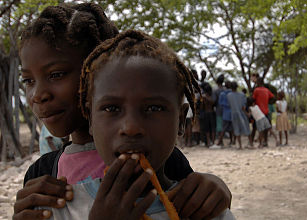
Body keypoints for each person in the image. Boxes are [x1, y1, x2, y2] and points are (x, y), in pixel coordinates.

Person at [15, 3, 231, 220]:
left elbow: (188, 202)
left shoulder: (156, 157)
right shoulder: (43, 173)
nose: (37, 94)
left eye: (56, 74)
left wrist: (215, 190)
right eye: (28, 80)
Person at [76, 29, 234, 219]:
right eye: (111, 109)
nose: (131, 128)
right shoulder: (60, 209)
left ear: (182, 121)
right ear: (91, 120)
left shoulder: (204, 210)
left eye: (154, 108)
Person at [252, 78, 279, 147]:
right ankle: (266, 142)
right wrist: (268, 102)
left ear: (258, 82)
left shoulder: (256, 90)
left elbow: (253, 99)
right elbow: (273, 97)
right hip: (266, 111)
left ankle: (256, 142)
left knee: (257, 128)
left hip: (258, 112)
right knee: (267, 128)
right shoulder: (267, 90)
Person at [226, 82, 250, 149]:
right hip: (242, 113)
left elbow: (229, 104)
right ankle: (251, 143)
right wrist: (246, 113)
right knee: (246, 127)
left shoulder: (228, 95)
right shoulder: (242, 95)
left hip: (234, 114)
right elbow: (243, 106)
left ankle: (240, 146)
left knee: (236, 129)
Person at [217, 81, 234, 147]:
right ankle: (232, 141)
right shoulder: (232, 93)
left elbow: (220, 103)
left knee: (224, 128)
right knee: (231, 128)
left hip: (225, 112)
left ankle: (219, 142)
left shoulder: (222, 94)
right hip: (232, 112)